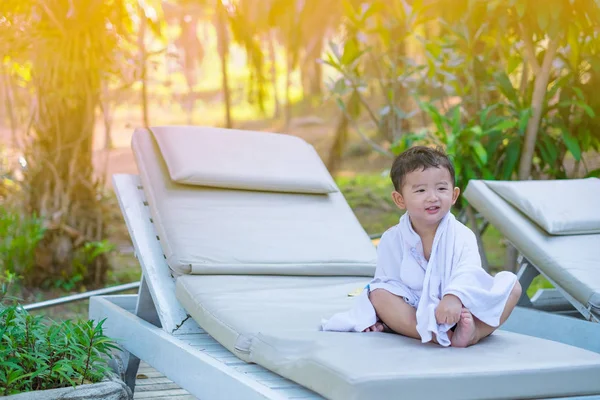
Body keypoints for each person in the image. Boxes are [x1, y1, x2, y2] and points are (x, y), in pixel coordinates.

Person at [321, 146, 521, 347]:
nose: (433, 197)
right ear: (400, 199)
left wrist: (453, 296)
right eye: (421, 190)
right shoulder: (392, 239)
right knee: (378, 293)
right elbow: (388, 280)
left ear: (454, 195)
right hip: (415, 311)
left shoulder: (461, 234)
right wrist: (383, 316)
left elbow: (469, 271)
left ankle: (475, 332)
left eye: (441, 188)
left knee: (512, 286)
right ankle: (432, 334)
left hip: (459, 307)